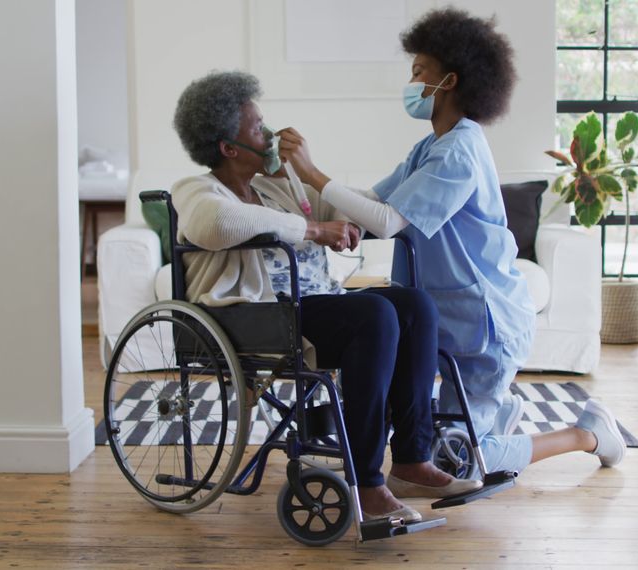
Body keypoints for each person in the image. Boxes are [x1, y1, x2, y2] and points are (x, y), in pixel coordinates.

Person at [278, 8, 628, 476]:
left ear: (451, 80)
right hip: (451, 316)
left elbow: (386, 221)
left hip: (486, 320)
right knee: (425, 415)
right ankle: (491, 416)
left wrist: (312, 172)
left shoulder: (459, 152)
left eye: (420, 71)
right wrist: (304, 209)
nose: (412, 82)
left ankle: (588, 434)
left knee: (464, 464)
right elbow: (372, 201)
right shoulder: (432, 146)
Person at [169, 70, 481, 522]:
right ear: (228, 148)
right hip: (254, 317)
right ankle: (367, 481)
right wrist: (313, 229)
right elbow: (218, 225)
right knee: (374, 314)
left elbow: (352, 206)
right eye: (259, 127)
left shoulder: (276, 187)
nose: (272, 133)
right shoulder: (198, 190)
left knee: (414, 305)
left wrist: (318, 180)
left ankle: (411, 461)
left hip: (308, 309)